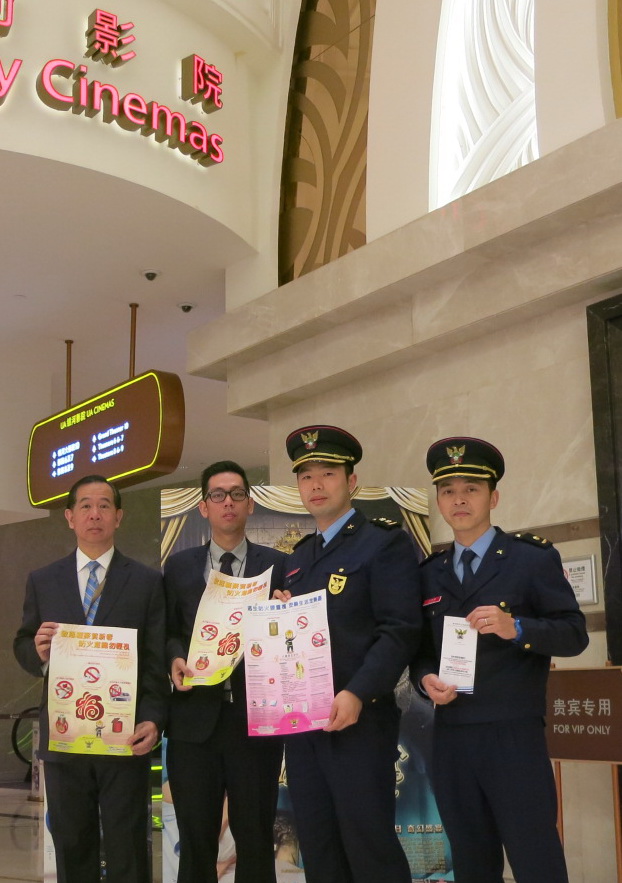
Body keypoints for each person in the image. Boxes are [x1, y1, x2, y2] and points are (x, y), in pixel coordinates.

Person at [415, 436, 589, 883]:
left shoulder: (529, 559)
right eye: (448, 491)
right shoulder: (429, 573)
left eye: (471, 489)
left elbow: (574, 634)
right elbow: (419, 652)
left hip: (512, 733)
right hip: (451, 734)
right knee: (471, 859)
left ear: (493, 497)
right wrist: (425, 679)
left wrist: (518, 628)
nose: (459, 500)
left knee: (535, 856)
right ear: (439, 501)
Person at [275, 425, 421, 883]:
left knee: (368, 846)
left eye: (328, 473)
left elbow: (400, 630)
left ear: (351, 481)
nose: (316, 485)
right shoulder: (297, 558)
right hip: (304, 727)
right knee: (318, 847)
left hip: (359, 721)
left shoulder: (384, 542)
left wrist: (358, 692)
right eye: (306, 476)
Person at [13, 475, 169, 883]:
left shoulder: (147, 582)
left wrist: (153, 719)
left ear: (119, 516)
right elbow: (23, 643)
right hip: (65, 738)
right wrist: (38, 653)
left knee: (128, 846)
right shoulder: (44, 580)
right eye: (85, 506)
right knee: (72, 844)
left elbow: (155, 662)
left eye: (104, 505)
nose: (95, 514)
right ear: (69, 517)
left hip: (124, 736)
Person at [163, 460, 286, 883]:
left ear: (250, 504)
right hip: (193, 723)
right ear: (204, 507)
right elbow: (168, 631)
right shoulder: (178, 566)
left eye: (236, 494)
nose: (227, 502)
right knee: (196, 841)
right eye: (218, 495)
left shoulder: (279, 564)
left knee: (255, 839)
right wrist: (175, 658)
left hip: (255, 721)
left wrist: (285, 614)